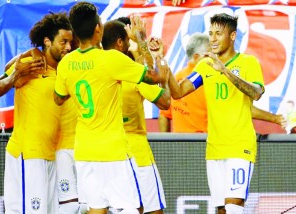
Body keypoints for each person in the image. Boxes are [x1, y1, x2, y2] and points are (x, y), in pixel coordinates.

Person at [53, 2, 166, 214]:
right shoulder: (111, 59)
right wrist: (141, 40)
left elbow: (58, 98)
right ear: (98, 29)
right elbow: (154, 75)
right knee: (130, 209)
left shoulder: (66, 64)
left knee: (96, 210)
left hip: (85, 151)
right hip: (114, 151)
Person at [167, 13, 265, 214]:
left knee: (234, 206)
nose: (212, 38)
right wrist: (161, 61)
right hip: (214, 148)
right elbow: (178, 92)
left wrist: (225, 71)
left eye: (218, 33)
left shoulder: (248, 62)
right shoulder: (205, 65)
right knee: (221, 209)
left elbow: (256, 93)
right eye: (210, 33)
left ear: (232, 36)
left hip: (240, 146)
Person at [4, 12, 73, 213]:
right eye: (63, 41)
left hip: (50, 155)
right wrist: (16, 73)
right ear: (47, 41)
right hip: (29, 153)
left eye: (70, 41)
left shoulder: (62, 71)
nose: (68, 47)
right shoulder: (30, 63)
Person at [102, 19, 168, 214]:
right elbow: (164, 101)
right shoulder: (133, 72)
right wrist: (146, 47)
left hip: (102, 153)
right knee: (150, 210)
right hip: (136, 151)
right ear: (121, 42)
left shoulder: (94, 68)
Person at [159, 33, 286, 133]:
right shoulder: (209, 77)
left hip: (179, 144)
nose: (216, 56)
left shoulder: (177, 78)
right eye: (210, 53)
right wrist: (275, 118)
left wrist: (166, 143)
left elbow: (164, 114)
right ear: (198, 57)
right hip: (204, 142)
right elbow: (239, 107)